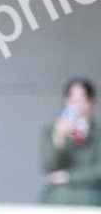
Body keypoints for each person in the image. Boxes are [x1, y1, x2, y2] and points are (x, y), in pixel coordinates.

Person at [40, 78, 101, 206]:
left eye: (82, 98)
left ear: (91, 100)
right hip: (58, 196)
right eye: (72, 99)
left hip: (89, 195)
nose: (77, 104)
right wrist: (59, 139)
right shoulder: (51, 130)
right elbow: (49, 167)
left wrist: (67, 177)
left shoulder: (97, 132)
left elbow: (98, 171)